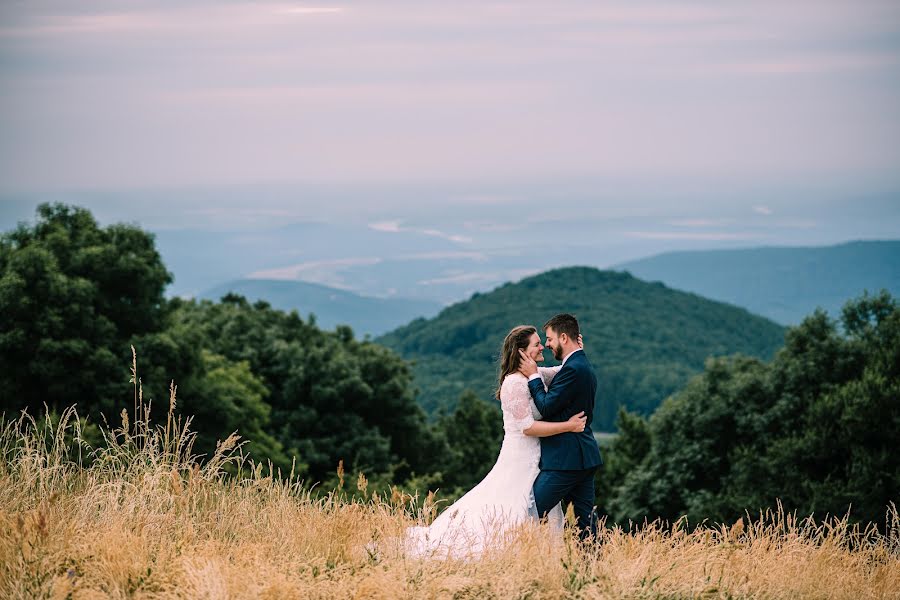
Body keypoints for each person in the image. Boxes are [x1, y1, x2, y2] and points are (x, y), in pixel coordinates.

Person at [404, 325, 585, 558]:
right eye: (537, 344)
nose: (542, 347)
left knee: (534, 508)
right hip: (520, 456)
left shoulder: (534, 375)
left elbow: (563, 370)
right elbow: (528, 428)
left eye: (542, 342)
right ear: (522, 352)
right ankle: (500, 553)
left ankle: (535, 557)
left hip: (539, 458)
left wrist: (577, 349)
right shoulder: (513, 384)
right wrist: (568, 426)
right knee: (509, 506)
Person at [517, 313, 602, 541]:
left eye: (550, 339)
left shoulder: (573, 370)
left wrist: (533, 375)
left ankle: (514, 561)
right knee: (586, 527)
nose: (547, 344)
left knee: (530, 515)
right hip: (583, 458)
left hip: (565, 461)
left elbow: (545, 406)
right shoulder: (578, 364)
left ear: (564, 338)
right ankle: (591, 572)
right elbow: (559, 374)